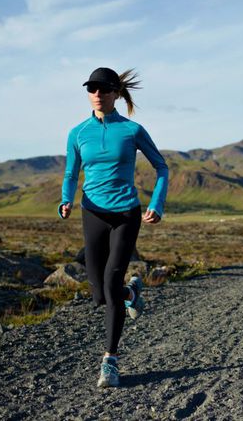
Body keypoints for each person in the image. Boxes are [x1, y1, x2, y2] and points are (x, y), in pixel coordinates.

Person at [58, 67, 168, 388]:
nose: (97, 93)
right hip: (92, 212)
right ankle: (131, 291)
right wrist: (66, 199)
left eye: (104, 89)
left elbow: (161, 167)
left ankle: (110, 360)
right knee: (99, 294)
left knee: (110, 280)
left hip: (125, 214)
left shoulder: (132, 130)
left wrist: (156, 204)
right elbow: (70, 172)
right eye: (92, 88)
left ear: (116, 93)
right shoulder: (77, 133)